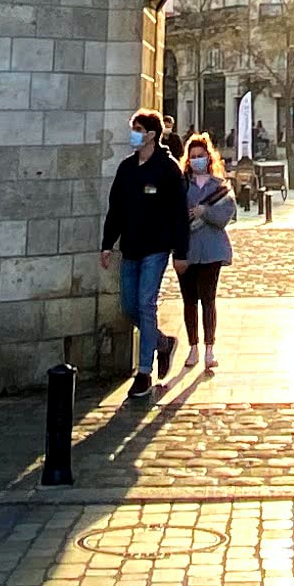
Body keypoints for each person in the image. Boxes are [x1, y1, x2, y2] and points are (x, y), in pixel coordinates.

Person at [102, 106, 188, 395]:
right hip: (130, 247)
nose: (133, 135)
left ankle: (144, 372)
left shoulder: (168, 169)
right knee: (129, 307)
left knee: (146, 304)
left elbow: (179, 213)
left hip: (156, 247)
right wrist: (106, 243)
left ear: (151, 135)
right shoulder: (126, 168)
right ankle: (164, 344)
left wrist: (181, 252)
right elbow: (116, 208)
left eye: (138, 130)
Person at [174, 130, 237, 373]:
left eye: (201, 155)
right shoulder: (181, 186)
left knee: (208, 300)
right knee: (189, 300)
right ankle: (193, 347)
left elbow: (224, 216)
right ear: (188, 159)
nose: (197, 159)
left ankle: (210, 348)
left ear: (208, 158)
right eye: (194, 156)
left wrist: (204, 212)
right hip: (187, 250)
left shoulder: (218, 186)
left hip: (211, 250)